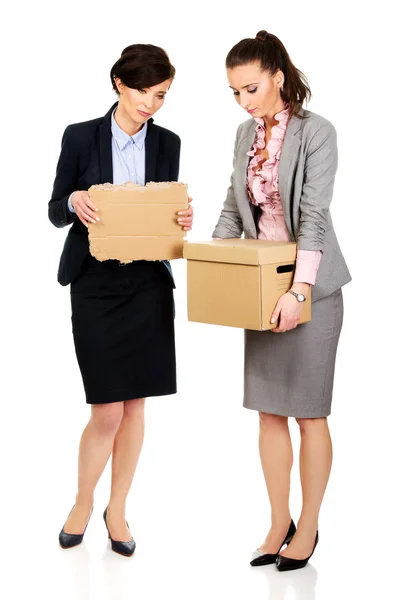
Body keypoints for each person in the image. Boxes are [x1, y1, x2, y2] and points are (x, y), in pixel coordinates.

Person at [213, 30, 351, 571]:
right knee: (269, 413)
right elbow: (233, 204)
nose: (244, 101)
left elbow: (314, 217)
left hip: (311, 288)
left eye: (251, 88)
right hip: (260, 285)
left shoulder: (318, 133)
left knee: (309, 414)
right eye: (234, 93)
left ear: (277, 77)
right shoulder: (244, 134)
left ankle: (309, 526)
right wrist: (216, 261)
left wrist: (300, 290)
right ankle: (277, 522)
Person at [49, 43, 193, 557]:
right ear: (118, 83)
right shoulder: (80, 135)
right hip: (95, 284)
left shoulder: (168, 142)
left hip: (148, 287)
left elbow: (166, 211)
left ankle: (118, 509)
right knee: (106, 408)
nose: (150, 104)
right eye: (141, 92)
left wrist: (180, 220)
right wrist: (73, 200)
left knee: (135, 406)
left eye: (160, 95)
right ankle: (82, 502)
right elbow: (54, 209)